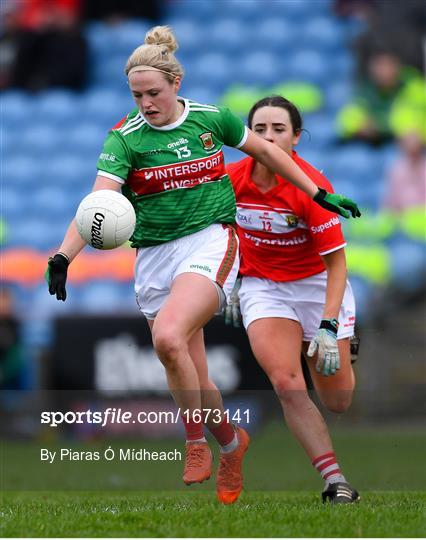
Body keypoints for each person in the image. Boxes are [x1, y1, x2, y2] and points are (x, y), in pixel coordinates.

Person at [45, 26, 360, 504]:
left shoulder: (212, 120)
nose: (146, 103)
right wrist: (65, 255)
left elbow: (269, 152)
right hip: (153, 256)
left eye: (154, 92)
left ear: (176, 83)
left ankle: (195, 443)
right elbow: (99, 205)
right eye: (137, 95)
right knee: (191, 369)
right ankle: (231, 445)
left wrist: (317, 192)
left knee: (168, 337)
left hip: (209, 244)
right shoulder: (124, 139)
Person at [225, 96, 360, 504]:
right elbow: (218, 231)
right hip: (264, 287)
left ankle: (340, 343)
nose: (268, 137)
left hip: (317, 287)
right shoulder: (232, 178)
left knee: (338, 401)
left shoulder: (311, 186)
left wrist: (328, 324)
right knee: (286, 382)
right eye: (260, 129)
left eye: (278, 129)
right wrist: (230, 279)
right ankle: (335, 481)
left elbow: (338, 266)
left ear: (296, 137)